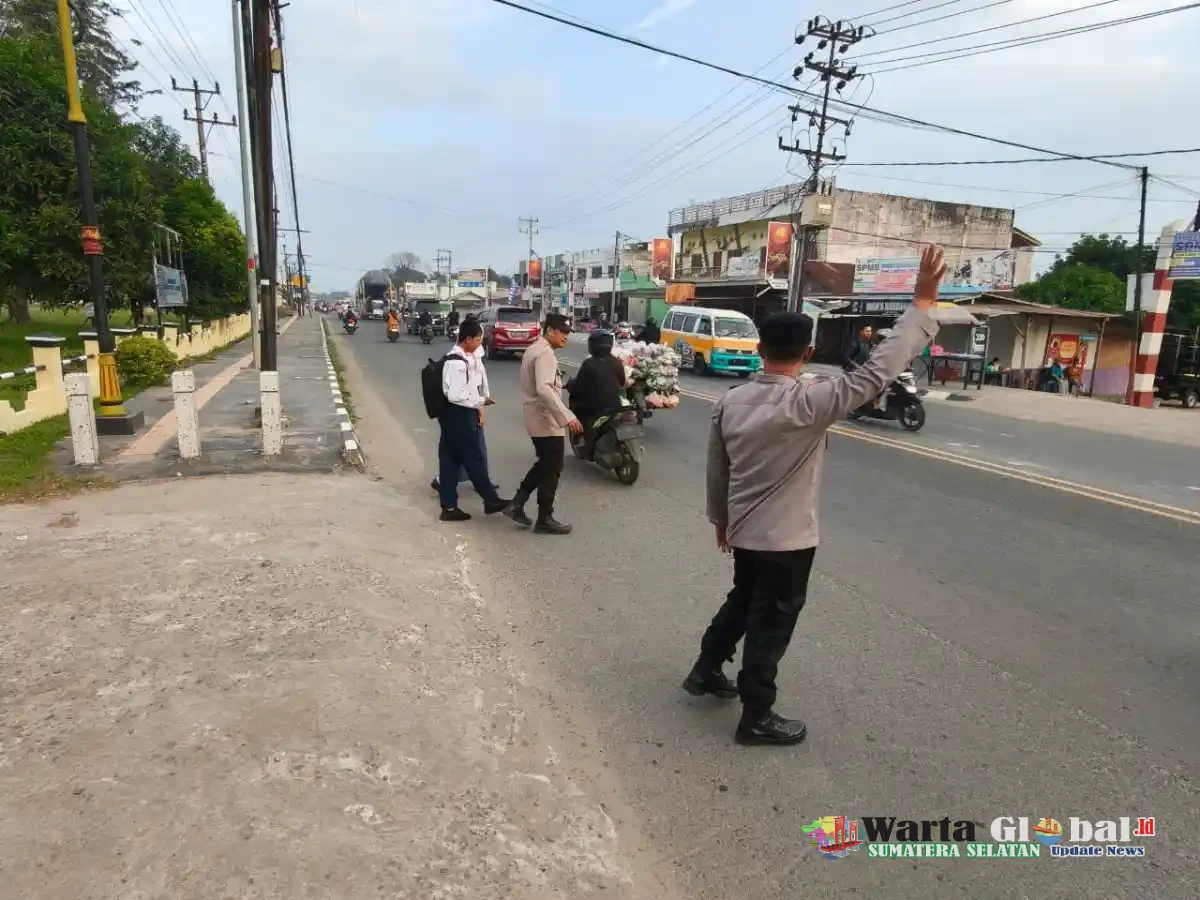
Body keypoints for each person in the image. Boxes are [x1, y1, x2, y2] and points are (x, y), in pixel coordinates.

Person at [683, 245, 945, 746]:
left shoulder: (731, 401)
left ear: (759, 349)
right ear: (807, 353)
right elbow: (878, 371)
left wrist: (721, 520)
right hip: (787, 542)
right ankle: (756, 716)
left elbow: (718, 469)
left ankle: (706, 669)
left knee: (742, 602)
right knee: (770, 625)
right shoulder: (812, 401)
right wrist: (921, 306)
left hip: (744, 532)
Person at [505, 313, 582, 535]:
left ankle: (522, 506)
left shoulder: (535, 349)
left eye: (568, 332)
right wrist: (567, 416)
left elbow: (545, 384)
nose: (566, 336)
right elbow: (544, 388)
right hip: (545, 419)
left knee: (548, 465)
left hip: (538, 417)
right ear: (549, 331)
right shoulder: (545, 353)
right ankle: (539, 515)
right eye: (562, 332)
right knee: (551, 466)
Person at [435, 319, 510, 522]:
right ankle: (491, 500)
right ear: (467, 339)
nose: (479, 344)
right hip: (459, 414)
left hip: (453, 415)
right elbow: (455, 395)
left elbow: (477, 369)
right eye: (477, 340)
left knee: (449, 461)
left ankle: (449, 507)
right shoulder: (456, 363)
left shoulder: (464, 357)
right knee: (473, 458)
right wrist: (481, 401)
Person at [567, 330, 627, 432]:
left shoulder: (589, 363)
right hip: (615, 406)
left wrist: (570, 386)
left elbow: (578, 387)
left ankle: (582, 433)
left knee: (576, 407)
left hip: (594, 408)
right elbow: (622, 382)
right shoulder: (616, 362)